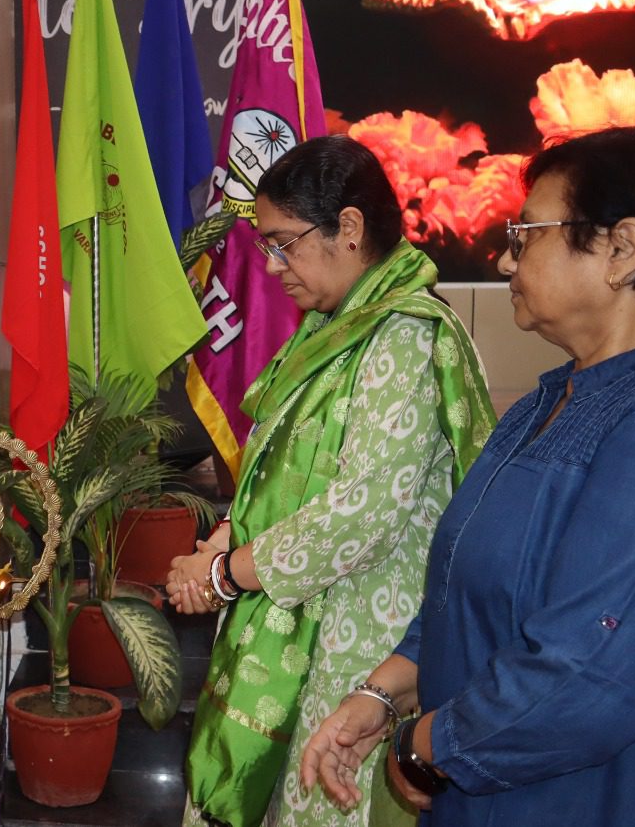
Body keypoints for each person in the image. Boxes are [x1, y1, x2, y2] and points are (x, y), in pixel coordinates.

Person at [298, 122, 635, 826]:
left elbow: (591, 677)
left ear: (623, 249)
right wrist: (382, 696)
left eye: (527, 234)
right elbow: (469, 591)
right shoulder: (548, 399)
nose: (506, 262)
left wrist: (428, 744)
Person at [167, 135, 496, 827]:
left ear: (348, 228)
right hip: (306, 610)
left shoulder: (404, 334)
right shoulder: (334, 328)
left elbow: (363, 511)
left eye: (283, 242)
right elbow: (278, 471)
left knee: (325, 802)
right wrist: (219, 544)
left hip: (361, 635)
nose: (271, 265)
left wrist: (226, 574)